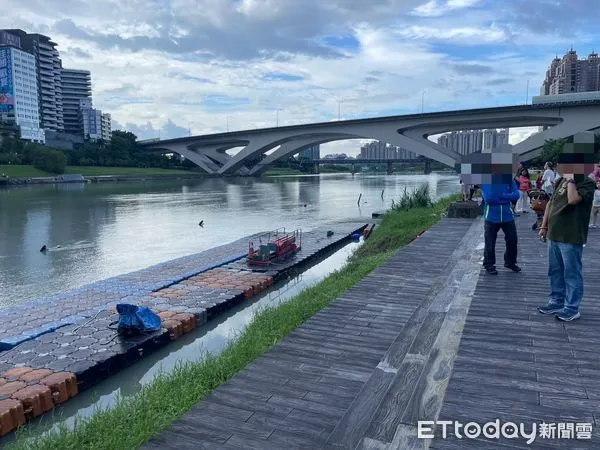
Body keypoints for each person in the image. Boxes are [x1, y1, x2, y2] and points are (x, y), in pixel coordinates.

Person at [538, 168, 596, 321]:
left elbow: (572, 200)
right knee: (555, 271)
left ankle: (572, 308)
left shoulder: (587, 183)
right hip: (554, 234)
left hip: (571, 236)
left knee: (571, 273)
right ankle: (557, 301)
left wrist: (571, 180)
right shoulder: (560, 180)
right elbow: (551, 203)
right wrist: (544, 226)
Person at [480, 178, 522, 275]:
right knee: (490, 242)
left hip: (507, 215)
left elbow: (517, 195)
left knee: (512, 240)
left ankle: (510, 262)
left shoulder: (509, 180)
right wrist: (507, 197)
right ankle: (488, 264)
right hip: (491, 216)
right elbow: (489, 198)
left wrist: (501, 196)